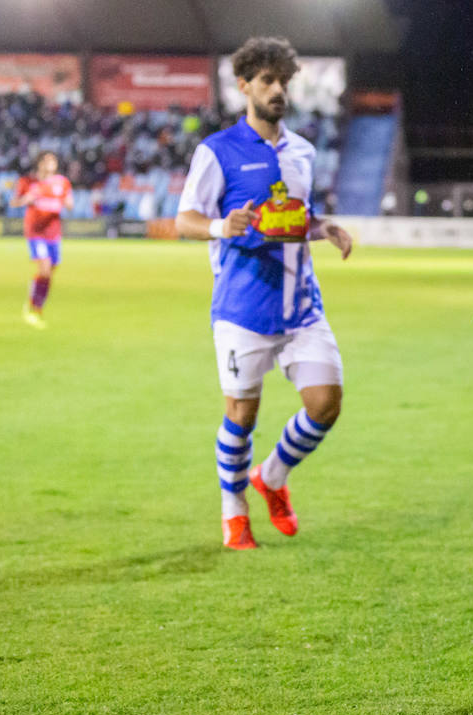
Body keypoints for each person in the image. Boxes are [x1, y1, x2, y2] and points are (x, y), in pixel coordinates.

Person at [175, 36, 354, 550]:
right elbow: (185, 218)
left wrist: (324, 228)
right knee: (241, 415)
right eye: (267, 81)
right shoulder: (216, 152)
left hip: (301, 305)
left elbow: (294, 216)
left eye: (284, 81)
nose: (278, 90)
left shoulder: (303, 151)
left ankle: (271, 476)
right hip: (243, 306)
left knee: (325, 403)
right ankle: (234, 513)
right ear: (244, 87)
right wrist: (217, 227)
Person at [9, 151, 73, 328]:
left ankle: (36, 305)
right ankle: (32, 307)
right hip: (35, 232)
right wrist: (26, 199)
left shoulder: (62, 182)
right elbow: (14, 202)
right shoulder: (29, 182)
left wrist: (66, 202)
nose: (51, 163)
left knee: (49, 273)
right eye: (47, 160)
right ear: (39, 163)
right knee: (44, 269)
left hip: (54, 233)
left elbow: (69, 204)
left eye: (53, 160)